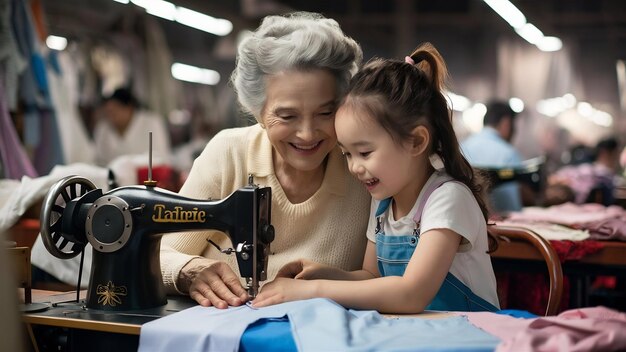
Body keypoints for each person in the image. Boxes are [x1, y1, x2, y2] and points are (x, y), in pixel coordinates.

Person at [252, 43, 499, 313]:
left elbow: (411, 294)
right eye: (347, 154)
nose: (354, 167)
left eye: (365, 152)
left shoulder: (447, 198)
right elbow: (372, 277)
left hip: (467, 334)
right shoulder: (383, 204)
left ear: (416, 141)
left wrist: (311, 291)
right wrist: (324, 275)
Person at [159, 12, 370, 309]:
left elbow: (386, 278)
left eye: (326, 113)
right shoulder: (228, 152)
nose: (308, 133)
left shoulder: (364, 172)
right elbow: (159, 254)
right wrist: (188, 272)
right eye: (287, 116)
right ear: (258, 111)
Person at [461, 101, 524, 214]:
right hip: (499, 226)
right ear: (506, 123)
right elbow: (511, 206)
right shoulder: (508, 153)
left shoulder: (462, 147)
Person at [93, 87, 172, 167]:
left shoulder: (152, 122)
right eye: (108, 112)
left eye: (115, 111)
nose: (111, 117)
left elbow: (161, 157)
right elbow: (98, 160)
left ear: (129, 108)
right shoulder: (103, 128)